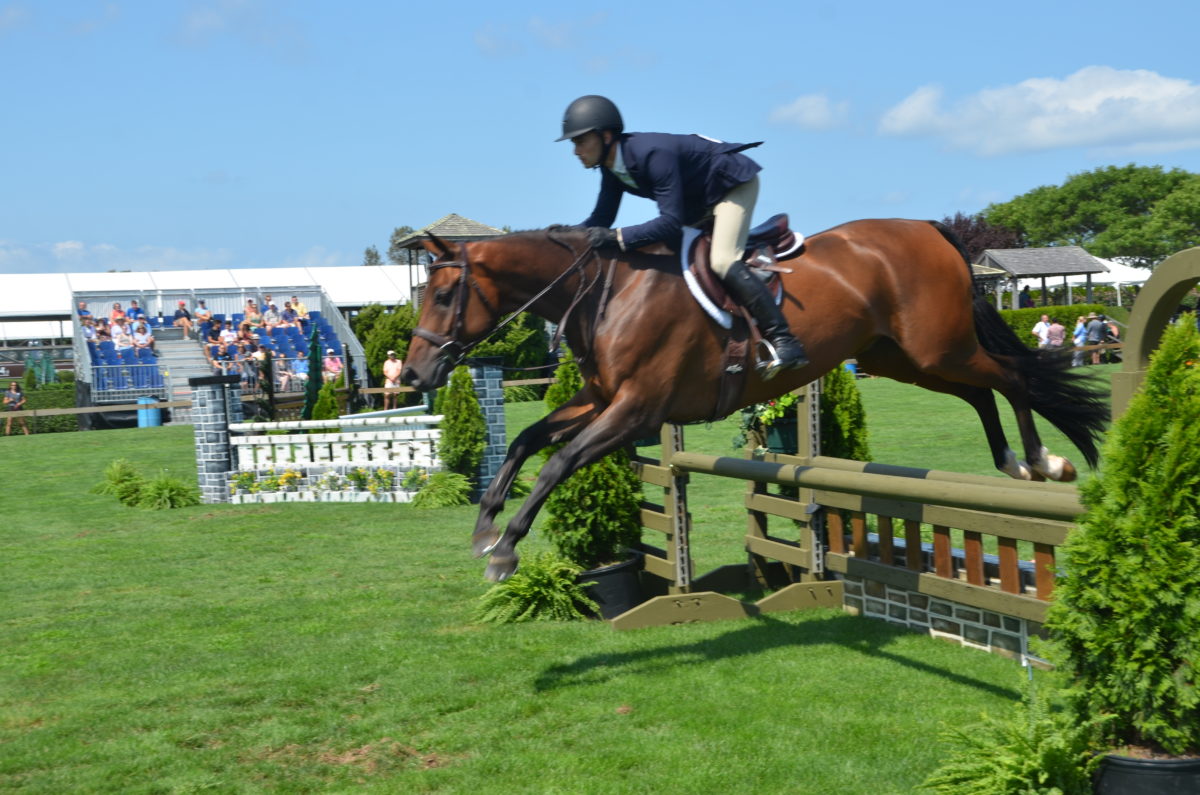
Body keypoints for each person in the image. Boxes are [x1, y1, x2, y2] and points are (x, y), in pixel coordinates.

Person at [558, 94, 808, 378]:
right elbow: (601, 220)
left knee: (722, 260)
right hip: (698, 202)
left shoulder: (652, 154)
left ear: (605, 136)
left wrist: (616, 238)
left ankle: (785, 340)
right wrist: (567, 237)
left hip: (731, 186)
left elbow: (670, 223)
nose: (575, 151)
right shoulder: (612, 168)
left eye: (580, 141)